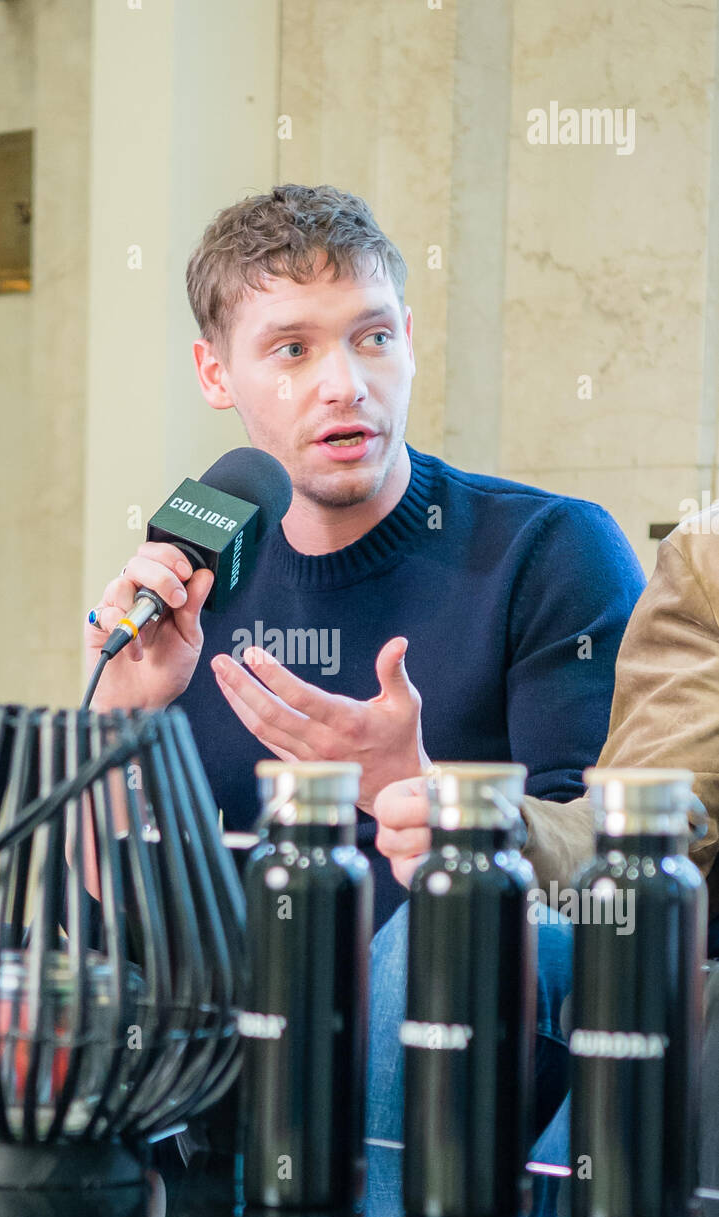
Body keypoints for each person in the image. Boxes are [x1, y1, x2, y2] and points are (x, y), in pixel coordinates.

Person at [84, 183, 645, 930]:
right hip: (222, 1035)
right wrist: (118, 723)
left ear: (408, 342)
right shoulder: (186, 587)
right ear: (214, 373)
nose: (344, 386)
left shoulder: (551, 551)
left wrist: (413, 788)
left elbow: (614, 894)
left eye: (373, 338)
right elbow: (109, 924)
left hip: (451, 1027)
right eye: (292, 350)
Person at [370, 504, 719, 1163]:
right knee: (442, 936)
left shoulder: (557, 541)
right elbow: (657, 815)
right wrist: (494, 825)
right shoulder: (711, 551)